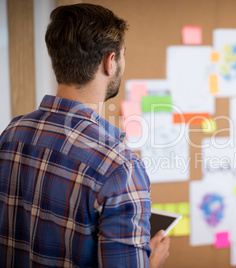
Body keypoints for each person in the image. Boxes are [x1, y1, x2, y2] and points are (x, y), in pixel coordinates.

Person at [0, 3, 169, 267]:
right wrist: (153, 261)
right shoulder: (120, 167)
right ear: (109, 62)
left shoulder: (12, 133)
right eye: (123, 55)